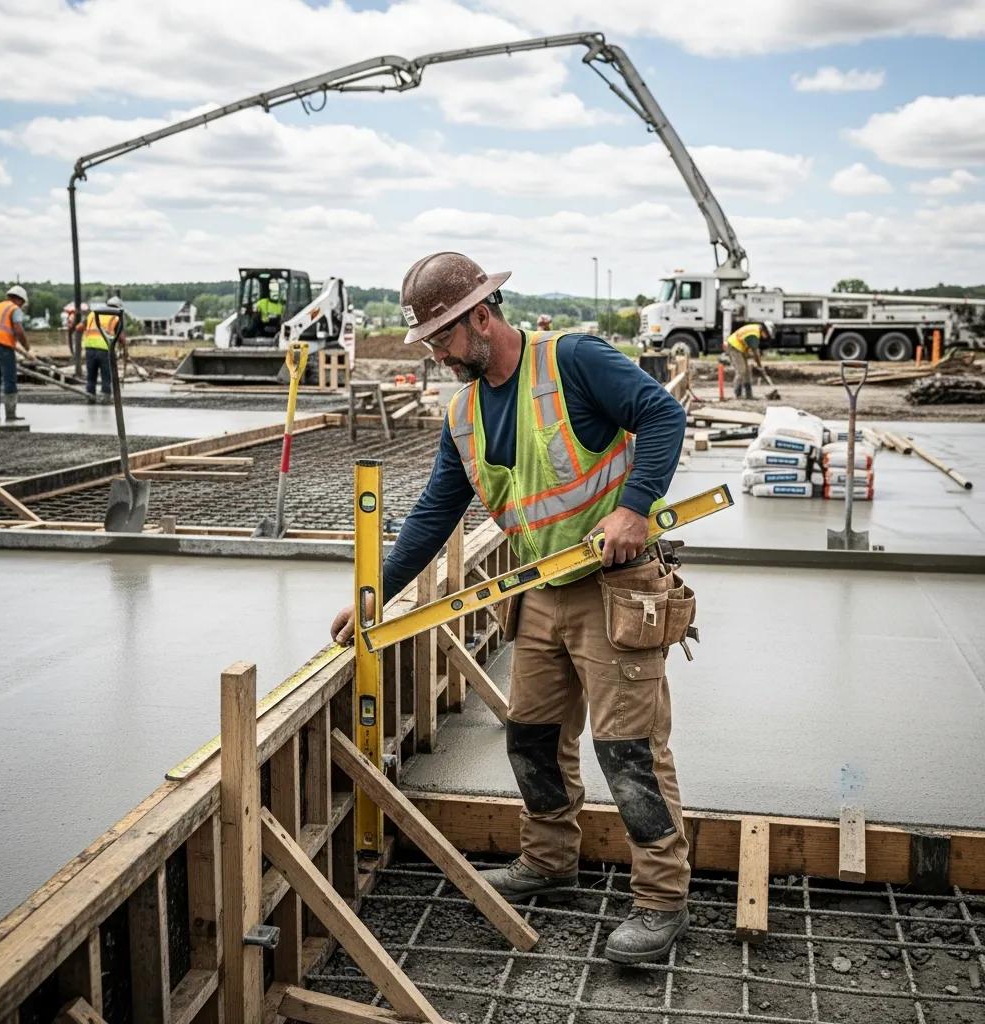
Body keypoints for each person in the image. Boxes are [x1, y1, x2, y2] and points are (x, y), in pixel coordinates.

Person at [330, 252, 691, 965]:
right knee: (530, 734)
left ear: (481, 318)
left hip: (613, 585)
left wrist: (634, 510)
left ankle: (660, 900)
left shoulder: (573, 360)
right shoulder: (463, 407)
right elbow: (439, 508)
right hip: (540, 588)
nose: (435, 355)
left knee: (629, 751)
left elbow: (662, 414)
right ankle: (550, 862)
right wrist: (374, 593)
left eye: (441, 338)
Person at [0, 285, 31, 424]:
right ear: (19, 300)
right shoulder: (14, 309)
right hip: (3, 344)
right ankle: (10, 414)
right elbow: (18, 330)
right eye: (22, 303)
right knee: (9, 378)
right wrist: (27, 348)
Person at [77, 296, 125, 404]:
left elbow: (78, 327)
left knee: (91, 376)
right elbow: (122, 338)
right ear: (118, 307)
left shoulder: (92, 314)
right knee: (106, 375)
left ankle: (90, 397)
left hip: (90, 349)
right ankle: (106, 398)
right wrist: (123, 345)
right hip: (105, 350)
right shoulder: (116, 317)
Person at [725, 321, 772, 400]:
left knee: (747, 371)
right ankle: (738, 394)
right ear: (765, 330)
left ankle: (749, 395)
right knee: (741, 370)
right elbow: (755, 353)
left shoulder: (756, 330)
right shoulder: (754, 334)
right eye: (767, 335)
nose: (766, 337)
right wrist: (760, 366)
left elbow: (751, 350)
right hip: (734, 347)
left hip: (740, 348)